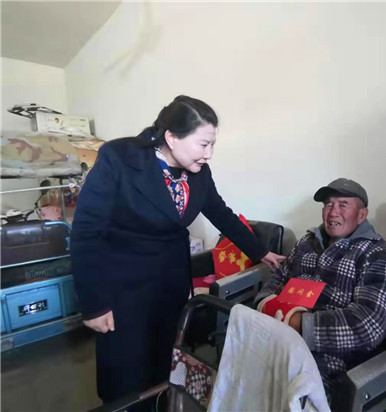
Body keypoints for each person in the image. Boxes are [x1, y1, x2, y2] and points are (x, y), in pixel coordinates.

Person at [70, 95, 285, 409]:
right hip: (123, 286)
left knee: (163, 359)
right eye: (203, 144)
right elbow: (86, 233)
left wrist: (262, 252)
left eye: (213, 145)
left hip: (170, 280)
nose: (209, 154)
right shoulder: (119, 159)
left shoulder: (198, 172)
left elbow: (221, 214)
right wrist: (93, 305)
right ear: (172, 138)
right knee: (125, 369)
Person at [255, 178, 386, 395]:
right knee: (231, 369)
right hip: (275, 337)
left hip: (326, 362)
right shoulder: (307, 241)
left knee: (273, 391)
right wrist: (264, 303)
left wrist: (298, 323)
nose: (333, 212)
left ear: (362, 215)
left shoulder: (377, 253)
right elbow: (278, 277)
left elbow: (368, 325)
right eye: (328, 204)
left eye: (343, 205)